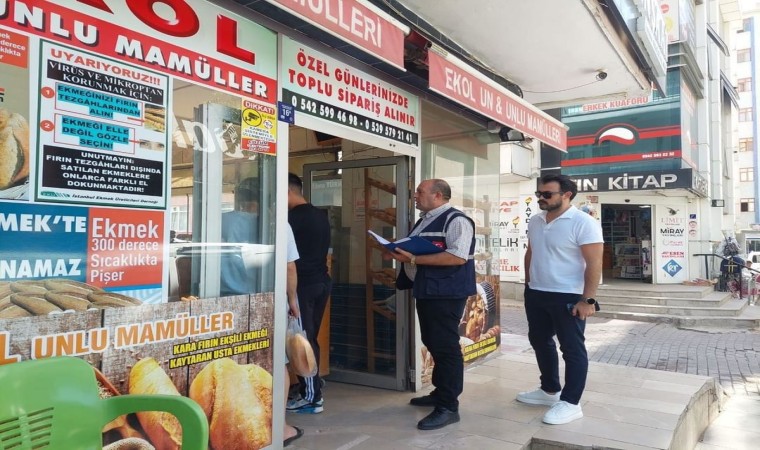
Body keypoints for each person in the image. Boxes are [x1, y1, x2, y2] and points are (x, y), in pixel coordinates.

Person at [388, 178, 476, 431]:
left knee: (446, 347)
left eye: (420, 191)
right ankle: (440, 392)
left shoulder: (456, 220)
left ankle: (448, 407)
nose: (415, 195)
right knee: (433, 341)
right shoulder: (424, 220)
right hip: (428, 290)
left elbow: (458, 257)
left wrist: (413, 258)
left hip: (446, 293)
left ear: (438, 195)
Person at [518, 173, 603, 425]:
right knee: (539, 340)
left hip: (568, 295)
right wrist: (528, 283)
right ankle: (549, 390)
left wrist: (587, 300)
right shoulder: (536, 220)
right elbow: (531, 252)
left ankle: (571, 402)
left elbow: (594, 263)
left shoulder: (583, 222)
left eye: (547, 194)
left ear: (566, 195)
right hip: (537, 292)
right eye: (539, 194)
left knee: (571, 348)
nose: (541, 198)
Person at [286, 173, 332, 414]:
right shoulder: (319, 215)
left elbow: (289, 263)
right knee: (309, 337)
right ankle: (311, 384)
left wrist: (291, 296)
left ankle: (312, 397)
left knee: (302, 340)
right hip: (321, 282)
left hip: (303, 286)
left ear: (287, 191)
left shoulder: (291, 218)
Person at [220, 177, 260, 296]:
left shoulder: (222, 219)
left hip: (220, 291)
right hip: (255, 293)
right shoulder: (269, 223)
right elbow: (289, 266)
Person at [283, 222, 304, 447]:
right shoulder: (279, 223)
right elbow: (289, 266)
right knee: (279, 363)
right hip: (268, 300)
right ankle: (280, 429)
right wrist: (292, 300)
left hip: (225, 302)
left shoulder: (222, 220)